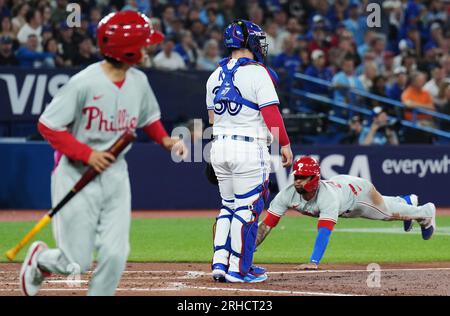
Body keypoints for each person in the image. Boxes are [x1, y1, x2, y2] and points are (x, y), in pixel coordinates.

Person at [19, 11, 187, 297]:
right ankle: (40, 261)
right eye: (143, 43)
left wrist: (166, 141)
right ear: (127, 48)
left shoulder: (139, 81)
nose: (149, 48)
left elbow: (149, 119)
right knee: (77, 261)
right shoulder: (84, 82)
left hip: (115, 175)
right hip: (76, 173)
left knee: (116, 253)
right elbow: (48, 125)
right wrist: (87, 153)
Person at [207, 19, 293, 283]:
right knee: (248, 210)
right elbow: (271, 113)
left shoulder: (214, 75)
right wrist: (285, 144)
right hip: (248, 147)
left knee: (227, 207)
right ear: (248, 42)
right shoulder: (258, 72)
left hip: (219, 145)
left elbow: (212, 119)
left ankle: (220, 263)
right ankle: (239, 269)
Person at [256, 156, 436, 270]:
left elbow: (324, 232)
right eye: (296, 177)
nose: (297, 181)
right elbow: (266, 225)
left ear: (314, 179)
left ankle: (425, 212)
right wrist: (249, 251)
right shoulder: (287, 194)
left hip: (358, 194)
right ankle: (405, 201)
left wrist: (313, 262)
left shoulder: (328, 198)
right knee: (387, 207)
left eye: (303, 178)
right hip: (341, 186)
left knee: (387, 214)